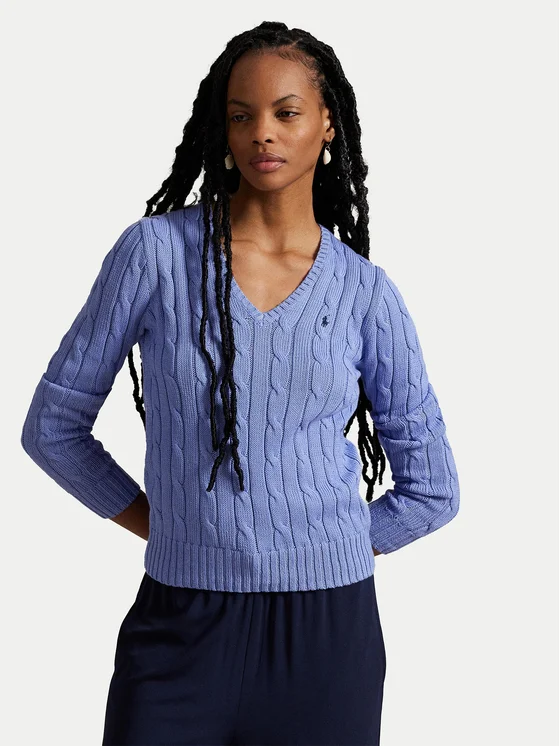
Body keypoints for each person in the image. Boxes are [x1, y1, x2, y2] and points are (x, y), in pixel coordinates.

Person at [20, 20, 460, 746]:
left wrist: (325, 547)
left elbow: (434, 488)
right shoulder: (155, 255)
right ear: (221, 129)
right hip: (178, 626)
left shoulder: (365, 293)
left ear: (327, 124)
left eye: (286, 113)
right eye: (241, 115)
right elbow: (52, 429)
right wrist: (163, 525)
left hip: (327, 638)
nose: (263, 133)